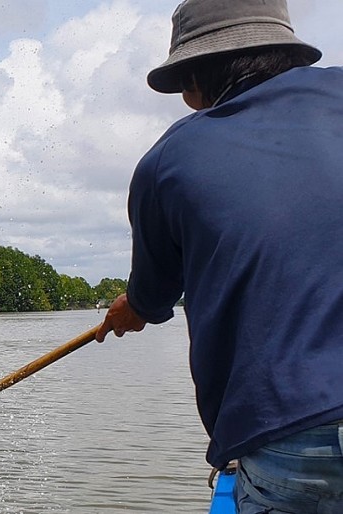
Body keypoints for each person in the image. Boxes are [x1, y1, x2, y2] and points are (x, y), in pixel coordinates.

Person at [94, 0, 343, 511]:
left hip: (294, 429)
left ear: (191, 85)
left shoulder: (168, 162)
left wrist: (130, 309)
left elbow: (151, 297)